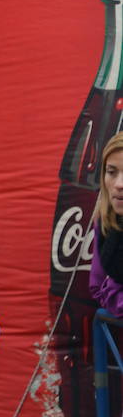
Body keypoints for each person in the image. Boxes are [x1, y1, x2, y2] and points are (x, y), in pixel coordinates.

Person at [90, 132, 123, 318]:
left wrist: (113, 289)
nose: (119, 184)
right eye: (111, 172)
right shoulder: (104, 223)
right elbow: (97, 287)